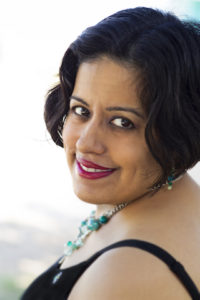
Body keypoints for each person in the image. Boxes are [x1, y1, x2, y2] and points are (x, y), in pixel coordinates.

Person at [20, 6, 200, 300]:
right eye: (81, 110)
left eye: (122, 122)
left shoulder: (124, 274)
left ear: (178, 131)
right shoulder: (158, 196)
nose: (85, 143)